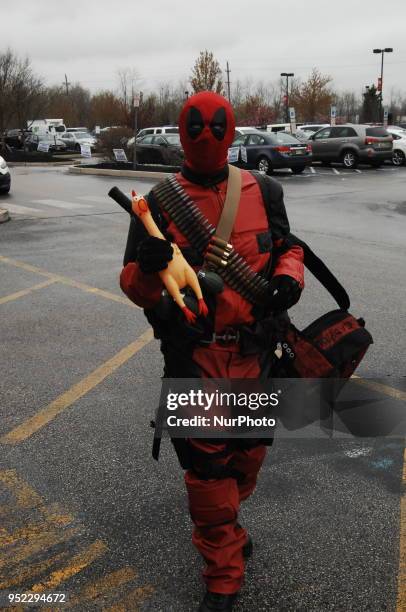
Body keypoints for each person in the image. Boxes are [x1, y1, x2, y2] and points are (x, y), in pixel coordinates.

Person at [120, 91, 304, 612]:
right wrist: (148, 266)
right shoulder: (156, 203)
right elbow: (133, 286)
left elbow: (289, 248)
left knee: (247, 460)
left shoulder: (265, 191)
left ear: (231, 128)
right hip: (193, 359)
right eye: (195, 125)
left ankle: (227, 522)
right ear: (182, 131)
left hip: (255, 355)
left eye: (215, 124)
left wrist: (289, 280)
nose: (206, 135)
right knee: (206, 473)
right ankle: (222, 570)